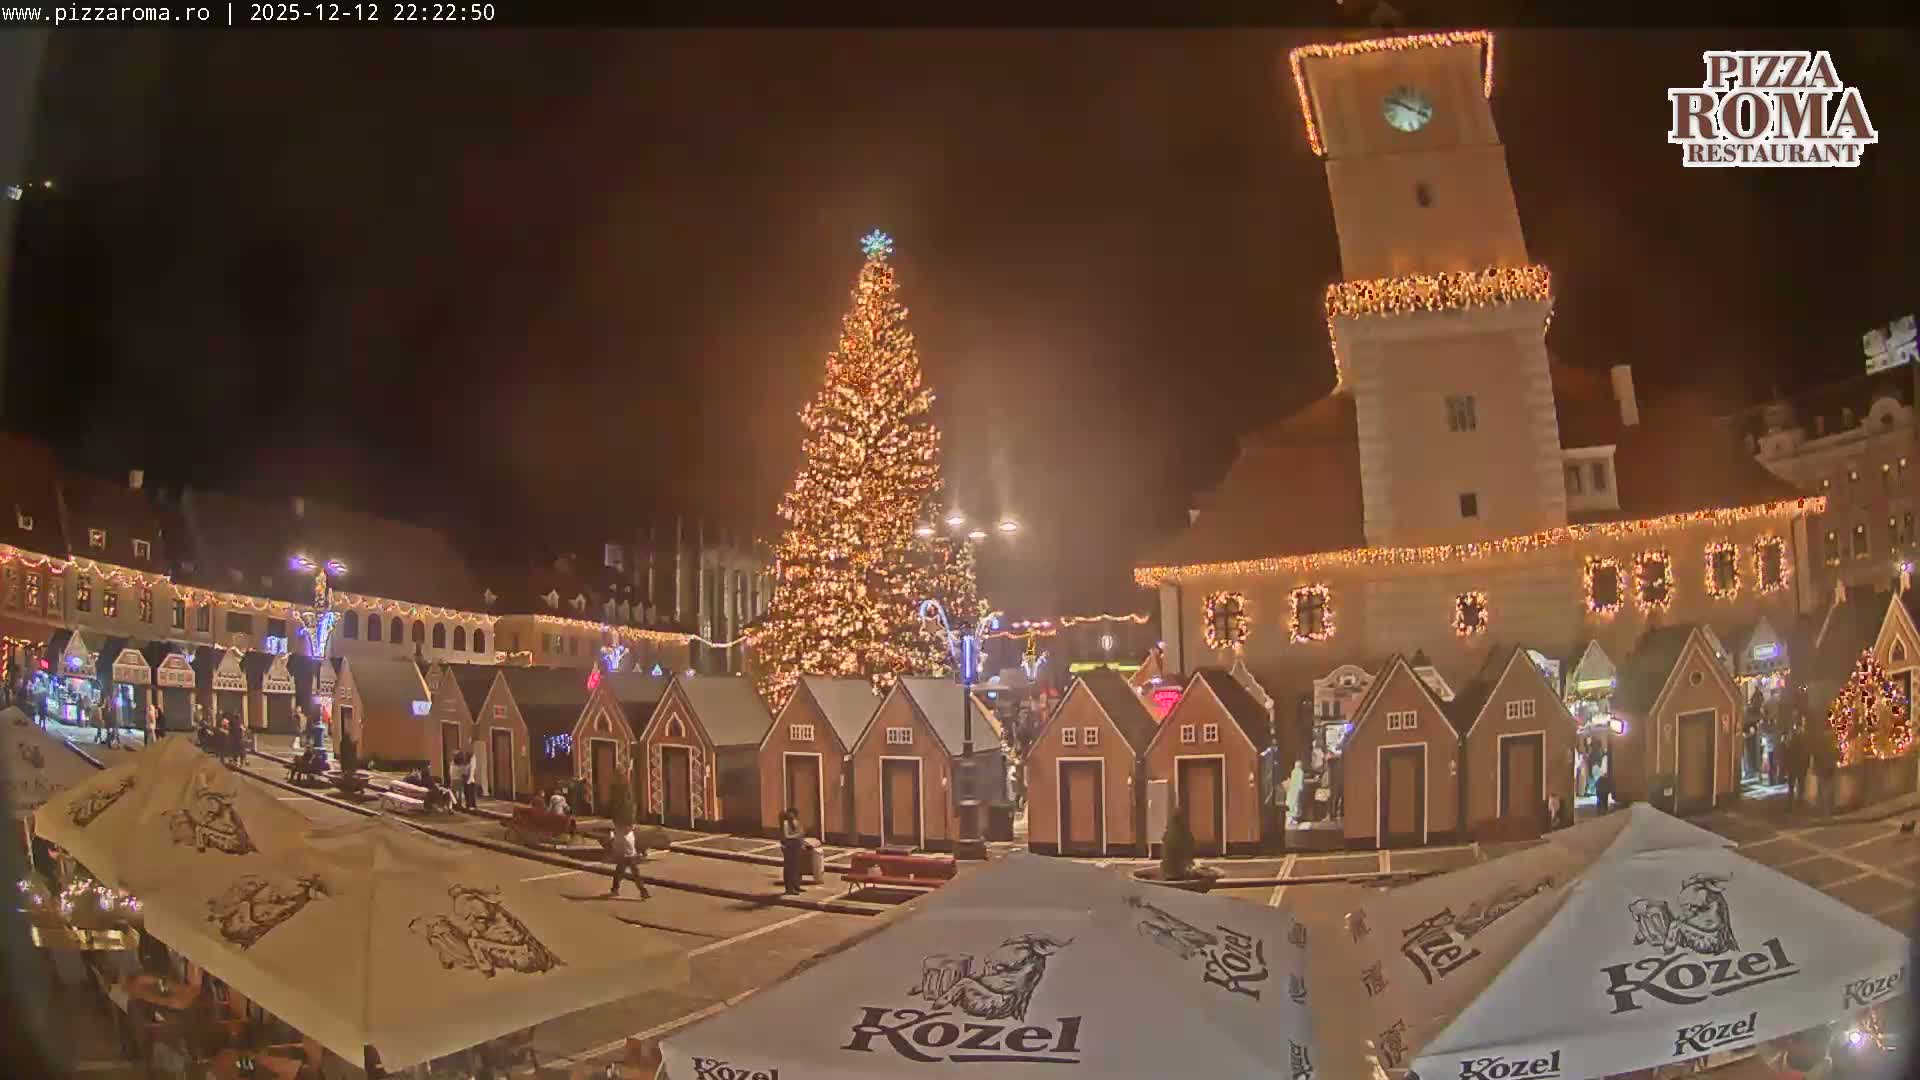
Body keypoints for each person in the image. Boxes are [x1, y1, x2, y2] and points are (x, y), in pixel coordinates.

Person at [606, 822, 650, 899]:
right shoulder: (624, 834)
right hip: (626, 857)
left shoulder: (628, 835)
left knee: (633, 875)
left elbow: (629, 845)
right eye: (630, 827)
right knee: (620, 874)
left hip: (629, 857)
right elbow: (615, 844)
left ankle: (643, 892)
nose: (631, 828)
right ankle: (615, 890)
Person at [779, 807, 806, 895]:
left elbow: (801, 834)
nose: (792, 816)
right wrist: (797, 835)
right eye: (790, 814)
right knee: (789, 868)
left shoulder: (797, 822)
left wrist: (802, 844)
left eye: (793, 814)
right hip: (789, 848)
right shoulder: (785, 823)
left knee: (797, 868)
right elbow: (786, 836)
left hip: (797, 847)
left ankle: (796, 885)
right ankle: (789, 889)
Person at [467, 740, 486, 810]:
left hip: (470, 780)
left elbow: (470, 771)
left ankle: (471, 805)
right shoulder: (472, 762)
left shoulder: (469, 764)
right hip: (472, 779)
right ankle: (473, 805)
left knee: (470, 793)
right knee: (471, 793)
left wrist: (469, 779)